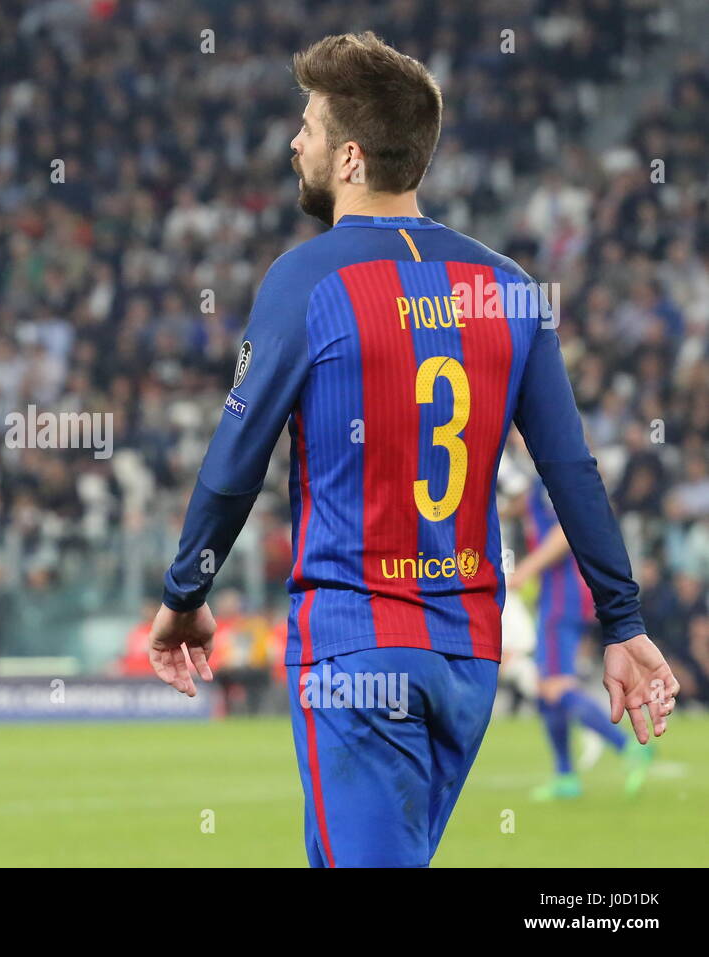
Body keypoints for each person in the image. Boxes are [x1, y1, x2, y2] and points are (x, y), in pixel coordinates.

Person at [149, 32, 679, 868]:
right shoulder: (507, 287)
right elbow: (569, 464)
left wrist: (184, 593)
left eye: (310, 128)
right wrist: (622, 618)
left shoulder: (307, 281)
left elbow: (232, 465)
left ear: (349, 158)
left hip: (357, 643)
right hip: (466, 654)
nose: (296, 142)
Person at [508, 478, 652, 799]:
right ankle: (565, 776)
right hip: (557, 595)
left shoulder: (548, 476)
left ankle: (627, 748)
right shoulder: (532, 479)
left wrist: (526, 569)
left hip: (562, 596)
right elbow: (518, 508)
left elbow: (565, 532)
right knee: (547, 689)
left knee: (554, 686)